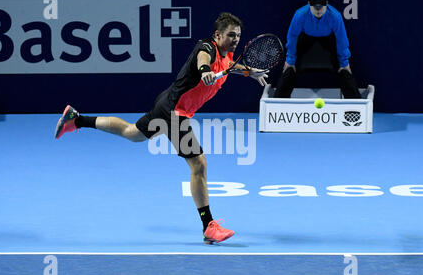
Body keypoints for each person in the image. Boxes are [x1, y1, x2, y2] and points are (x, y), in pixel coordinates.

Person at [54, 12, 268, 244]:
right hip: (173, 112)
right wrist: (205, 71)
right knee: (198, 164)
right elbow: (203, 59)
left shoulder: (227, 58)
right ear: (217, 35)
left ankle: (76, 120)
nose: (235, 39)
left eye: (238, 36)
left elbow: (230, 66)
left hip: (167, 102)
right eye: (231, 35)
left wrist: (249, 71)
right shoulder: (206, 47)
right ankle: (209, 226)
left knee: (132, 133)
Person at [273, 0, 361, 99]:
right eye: (315, 6)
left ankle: (356, 106)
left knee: (344, 69)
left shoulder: (335, 16)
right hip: (305, 40)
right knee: (289, 68)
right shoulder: (300, 15)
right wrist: (290, 59)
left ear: (327, 4)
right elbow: (292, 37)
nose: (318, 9)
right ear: (309, 4)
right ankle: (278, 104)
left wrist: (344, 62)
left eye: (321, 6)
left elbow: (341, 40)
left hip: (328, 41)